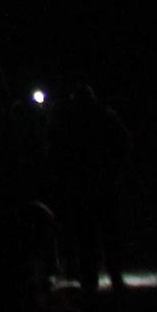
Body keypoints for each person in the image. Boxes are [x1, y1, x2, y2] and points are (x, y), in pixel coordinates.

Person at [49, 84, 131, 296]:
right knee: (108, 233)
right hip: (103, 184)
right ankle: (114, 276)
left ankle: (90, 280)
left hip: (82, 187)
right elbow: (124, 146)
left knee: (87, 236)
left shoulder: (69, 122)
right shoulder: (106, 117)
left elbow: (58, 154)